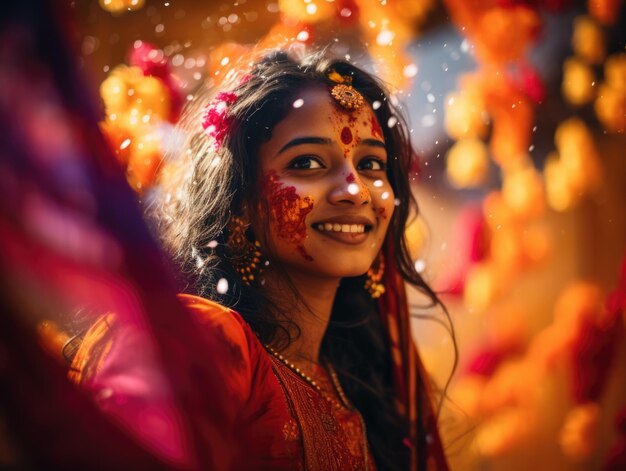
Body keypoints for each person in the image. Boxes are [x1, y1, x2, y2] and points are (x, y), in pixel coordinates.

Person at [70, 49, 450, 470]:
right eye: (306, 162)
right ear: (240, 204)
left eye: (372, 164)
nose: (356, 190)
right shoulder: (204, 339)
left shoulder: (363, 386)